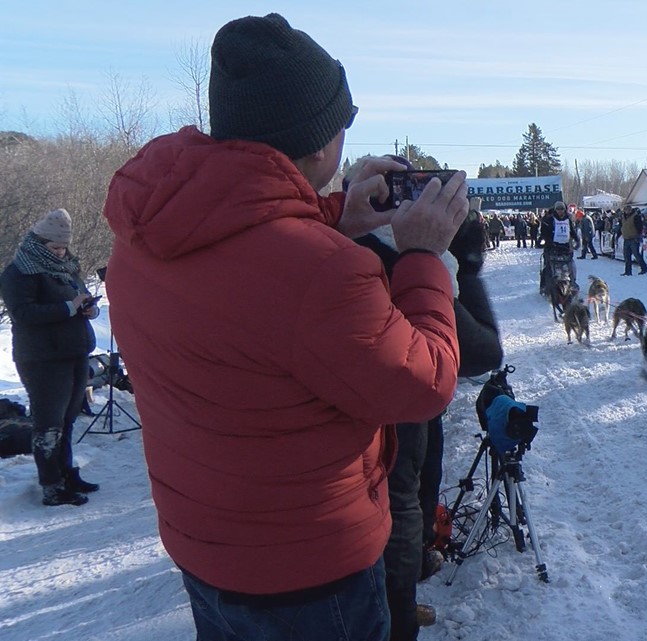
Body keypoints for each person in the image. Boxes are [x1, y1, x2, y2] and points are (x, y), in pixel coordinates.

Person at [101, 14, 469, 641]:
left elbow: (251, 273)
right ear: (320, 142)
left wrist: (333, 215)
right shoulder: (326, 276)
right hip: (309, 576)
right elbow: (425, 382)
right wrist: (422, 256)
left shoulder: (142, 238)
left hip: (206, 549)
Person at [347, 170, 503, 640]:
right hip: (393, 411)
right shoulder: (399, 254)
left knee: (415, 487)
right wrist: (461, 262)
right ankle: (399, 608)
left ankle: (403, 581)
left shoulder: (322, 241)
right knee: (402, 500)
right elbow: (482, 352)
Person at [0, 208, 100, 507]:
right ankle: (51, 486)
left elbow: (78, 296)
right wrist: (69, 308)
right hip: (43, 359)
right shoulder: (19, 272)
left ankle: (68, 473)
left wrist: (88, 309)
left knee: (68, 419)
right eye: (54, 247)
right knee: (49, 423)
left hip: (74, 352)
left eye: (63, 247)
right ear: (38, 242)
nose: (60, 252)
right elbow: (23, 313)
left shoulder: (66, 267)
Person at [540, 201, 579, 286]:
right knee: (548, 267)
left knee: (571, 265)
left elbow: (572, 231)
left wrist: (577, 240)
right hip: (552, 247)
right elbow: (544, 233)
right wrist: (545, 241)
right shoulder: (550, 219)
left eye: (562, 209)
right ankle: (545, 285)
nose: (560, 211)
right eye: (558, 209)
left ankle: (573, 283)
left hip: (565, 248)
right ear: (555, 210)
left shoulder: (568, 219)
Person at [620, 206, 647, 275]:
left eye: (628, 210)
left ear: (630, 210)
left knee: (636, 254)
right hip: (626, 238)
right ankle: (628, 271)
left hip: (634, 238)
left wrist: (638, 236)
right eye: (625, 210)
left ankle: (644, 268)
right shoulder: (623, 217)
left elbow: (639, 227)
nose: (626, 211)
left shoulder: (636, 217)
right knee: (626, 256)